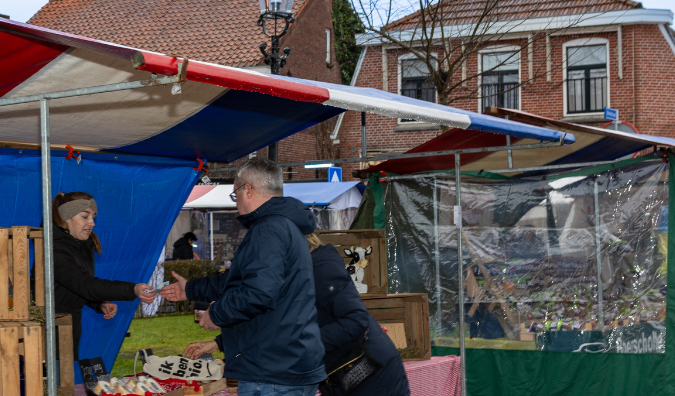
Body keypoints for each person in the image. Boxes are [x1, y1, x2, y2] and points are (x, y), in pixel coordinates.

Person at [161, 157, 325, 396]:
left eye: (235, 192)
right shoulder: (286, 226)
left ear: (248, 189)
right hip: (286, 363)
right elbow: (240, 281)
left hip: (271, 371)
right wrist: (191, 289)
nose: (235, 199)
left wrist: (216, 315)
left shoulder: (268, 229)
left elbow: (259, 293)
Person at [185, 233, 410, 396]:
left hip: (373, 375)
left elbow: (355, 321)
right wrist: (219, 343)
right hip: (340, 376)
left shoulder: (321, 269)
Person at [52, 191, 156, 357]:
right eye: (85, 216)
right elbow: (86, 285)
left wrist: (98, 303)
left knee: (63, 380)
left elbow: (74, 286)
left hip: (67, 326)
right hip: (47, 329)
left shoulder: (82, 246)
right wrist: (133, 289)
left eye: (93, 217)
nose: (92, 223)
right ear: (66, 218)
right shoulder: (54, 250)